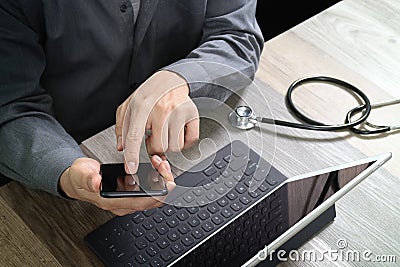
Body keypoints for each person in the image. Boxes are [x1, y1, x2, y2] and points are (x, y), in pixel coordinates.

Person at [0, 0, 264, 215]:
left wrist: (183, 78)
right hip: (58, 184)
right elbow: (11, 103)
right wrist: (63, 170)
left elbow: (237, 36)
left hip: (180, 156)